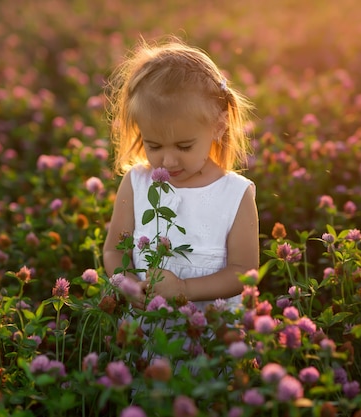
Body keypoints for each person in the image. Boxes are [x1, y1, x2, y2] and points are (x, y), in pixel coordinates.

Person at [103, 37, 259, 313]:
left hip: (214, 335)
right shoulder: (136, 183)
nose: (168, 160)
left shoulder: (234, 194)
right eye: (154, 145)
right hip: (146, 333)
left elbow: (243, 271)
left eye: (184, 146)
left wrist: (185, 290)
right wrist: (127, 283)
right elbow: (115, 250)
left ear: (218, 127)